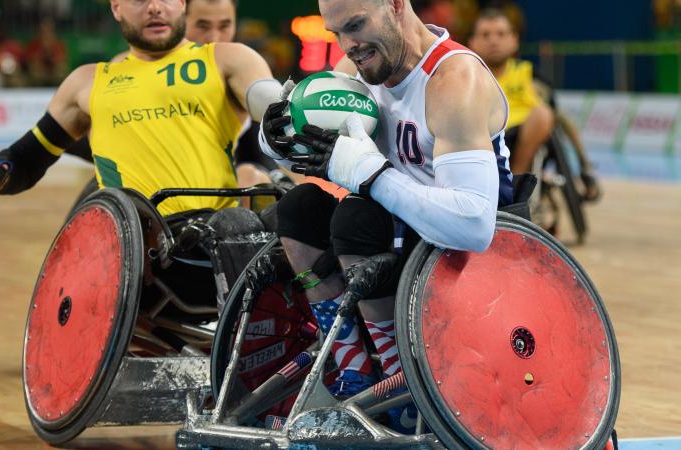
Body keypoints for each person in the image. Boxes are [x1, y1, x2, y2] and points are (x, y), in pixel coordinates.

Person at [259, 0, 513, 431]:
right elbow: (305, 139)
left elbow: (473, 226)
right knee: (298, 208)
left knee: (358, 217)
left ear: (396, 5)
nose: (348, 46)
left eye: (355, 26)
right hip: (394, 233)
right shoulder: (359, 65)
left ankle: (398, 385)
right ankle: (352, 363)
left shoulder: (454, 79)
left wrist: (373, 176)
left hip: (470, 252)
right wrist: (280, 135)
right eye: (336, 32)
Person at [0, 0, 283, 216]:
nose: (154, 7)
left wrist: (287, 109)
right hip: (127, 245)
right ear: (116, 7)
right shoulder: (86, 81)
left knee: (259, 201)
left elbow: (269, 102)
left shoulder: (228, 58)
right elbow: (25, 161)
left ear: (182, 3)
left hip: (211, 238)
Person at [64, 0, 287, 207]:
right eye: (202, 26)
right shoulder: (122, 70)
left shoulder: (233, 65)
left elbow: (262, 136)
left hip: (226, 181)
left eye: (225, 25)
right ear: (181, 17)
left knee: (252, 178)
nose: (215, 37)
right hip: (150, 184)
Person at [468, 8, 553, 175]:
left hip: (522, 138)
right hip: (481, 139)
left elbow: (554, 111)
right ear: (472, 42)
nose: (493, 41)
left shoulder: (529, 73)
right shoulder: (467, 76)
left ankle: (515, 179)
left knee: (543, 114)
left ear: (514, 40)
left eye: (501, 34)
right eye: (485, 35)